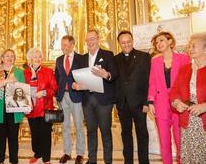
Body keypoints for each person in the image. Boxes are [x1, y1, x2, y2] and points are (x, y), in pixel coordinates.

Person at [73, 29, 116, 164]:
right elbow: (80, 77)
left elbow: (114, 75)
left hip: (103, 100)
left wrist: (106, 74)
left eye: (93, 38)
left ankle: (108, 161)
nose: (90, 42)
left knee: (105, 133)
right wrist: (76, 85)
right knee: (91, 132)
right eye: (88, 40)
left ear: (98, 39)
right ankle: (92, 160)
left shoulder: (108, 55)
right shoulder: (82, 58)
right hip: (87, 100)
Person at [147, 32, 189, 164]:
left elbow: (188, 80)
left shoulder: (183, 58)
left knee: (180, 140)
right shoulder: (155, 61)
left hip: (179, 103)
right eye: (156, 43)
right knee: (164, 142)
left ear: (170, 41)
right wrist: (151, 102)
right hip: (160, 104)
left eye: (161, 40)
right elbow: (152, 83)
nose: (158, 44)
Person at [114, 30, 150, 164]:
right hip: (123, 104)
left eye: (128, 41)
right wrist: (115, 102)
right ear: (119, 44)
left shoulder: (144, 57)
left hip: (140, 103)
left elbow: (148, 81)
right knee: (126, 135)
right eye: (123, 43)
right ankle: (128, 161)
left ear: (132, 41)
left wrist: (147, 102)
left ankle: (144, 162)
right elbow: (114, 82)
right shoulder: (115, 58)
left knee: (142, 135)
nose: (126, 44)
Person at [170, 32, 206, 163]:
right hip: (187, 121)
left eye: (194, 46)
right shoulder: (184, 69)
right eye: (189, 46)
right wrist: (176, 103)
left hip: (203, 123)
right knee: (189, 155)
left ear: (205, 49)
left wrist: (204, 106)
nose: (190, 49)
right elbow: (174, 91)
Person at [0, 49, 25, 164]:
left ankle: (14, 160)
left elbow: (22, 91)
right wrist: (5, 81)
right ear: (2, 58)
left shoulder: (19, 72)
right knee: (0, 137)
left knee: (14, 138)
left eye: (12, 56)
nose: (9, 58)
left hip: (14, 109)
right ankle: (0, 160)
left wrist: (16, 84)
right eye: (7, 56)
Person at [24, 48, 58, 164]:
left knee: (45, 134)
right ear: (30, 59)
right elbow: (21, 90)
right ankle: (37, 153)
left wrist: (43, 92)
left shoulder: (48, 71)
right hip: (31, 108)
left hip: (45, 108)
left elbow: (54, 88)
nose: (38, 59)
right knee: (35, 133)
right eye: (35, 56)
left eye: (39, 56)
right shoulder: (25, 73)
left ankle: (46, 158)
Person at [55, 35, 85, 164]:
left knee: (79, 126)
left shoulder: (81, 59)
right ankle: (67, 152)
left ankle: (80, 153)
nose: (63, 48)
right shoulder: (58, 59)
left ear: (72, 45)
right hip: (63, 96)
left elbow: (84, 76)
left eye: (66, 45)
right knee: (65, 125)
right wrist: (57, 95)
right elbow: (57, 77)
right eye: (62, 45)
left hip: (76, 95)